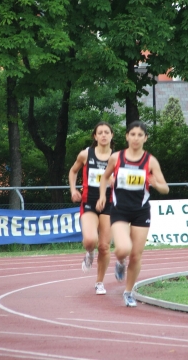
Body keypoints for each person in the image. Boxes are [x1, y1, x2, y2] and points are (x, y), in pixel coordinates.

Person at [96, 120, 169, 307]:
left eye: (140, 135)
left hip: (140, 212)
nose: (136, 138)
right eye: (133, 134)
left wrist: (154, 182)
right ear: (127, 136)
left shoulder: (150, 161)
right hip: (119, 210)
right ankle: (120, 261)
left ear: (145, 138)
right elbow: (104, 177)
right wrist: (102, 196)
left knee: (136, 255)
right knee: (123, 249)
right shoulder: (117, 158)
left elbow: (165, 188)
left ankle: (128, 292)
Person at [69, 121, 114, 295]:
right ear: (95, 136)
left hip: (109, 205)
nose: (103, 135)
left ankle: (99, 282)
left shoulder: (117, 158)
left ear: (112, 136)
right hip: (89, 203)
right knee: (90, 241)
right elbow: (73, 171)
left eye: (106, 132)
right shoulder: (86, 154)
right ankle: (89, 253)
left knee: (104, 246)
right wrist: (73, 190)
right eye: (100, 132)